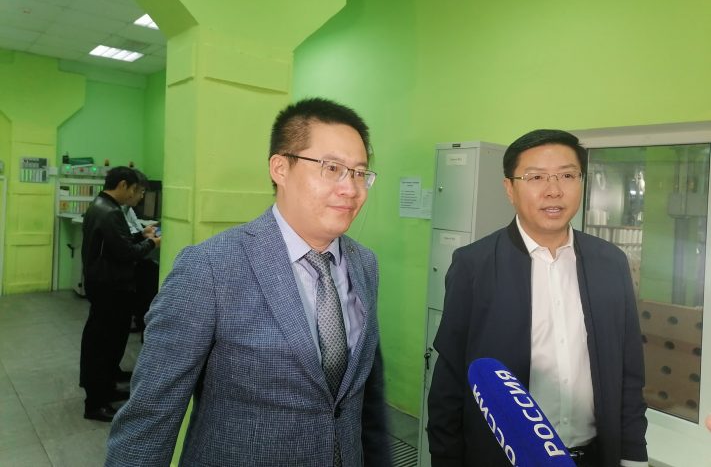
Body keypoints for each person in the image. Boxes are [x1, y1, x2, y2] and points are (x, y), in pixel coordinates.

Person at [105, 98, 391, 467]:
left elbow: (365, 396)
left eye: (359, 173)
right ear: (280, 168)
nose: (351, 189)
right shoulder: (210, 268)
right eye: (332, 168)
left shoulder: (365, 264)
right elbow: (150, 419)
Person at [427, 129, 648, 466]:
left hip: (593, 456)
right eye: (536, 177)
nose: (553, 190)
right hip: (504, 457)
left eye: (567, 176)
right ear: (509, 189)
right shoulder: (474, 265)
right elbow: (450, 378)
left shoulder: (611, 263)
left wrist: (633, 456)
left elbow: (629, 373)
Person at [80, 166, 160, 422]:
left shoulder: (101, 206)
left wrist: (140, 234)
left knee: (108, 340)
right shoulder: (111, 212)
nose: (135, 195)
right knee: (103, 343)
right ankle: (95, 403)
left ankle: (107, 386)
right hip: (110, 287)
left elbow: (116, 242)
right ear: (123, 185)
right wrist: (152, 242)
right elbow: (126, 253)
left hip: (103, 284)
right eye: (135, 190)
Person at [121, 170, 160, 338]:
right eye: (141, 192)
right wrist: (151, 241)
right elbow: (128, 242)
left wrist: (144, 232)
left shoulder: (128, 209)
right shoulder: (116, 211)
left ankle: (139, 319)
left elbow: (135, 229)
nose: (142, 196)